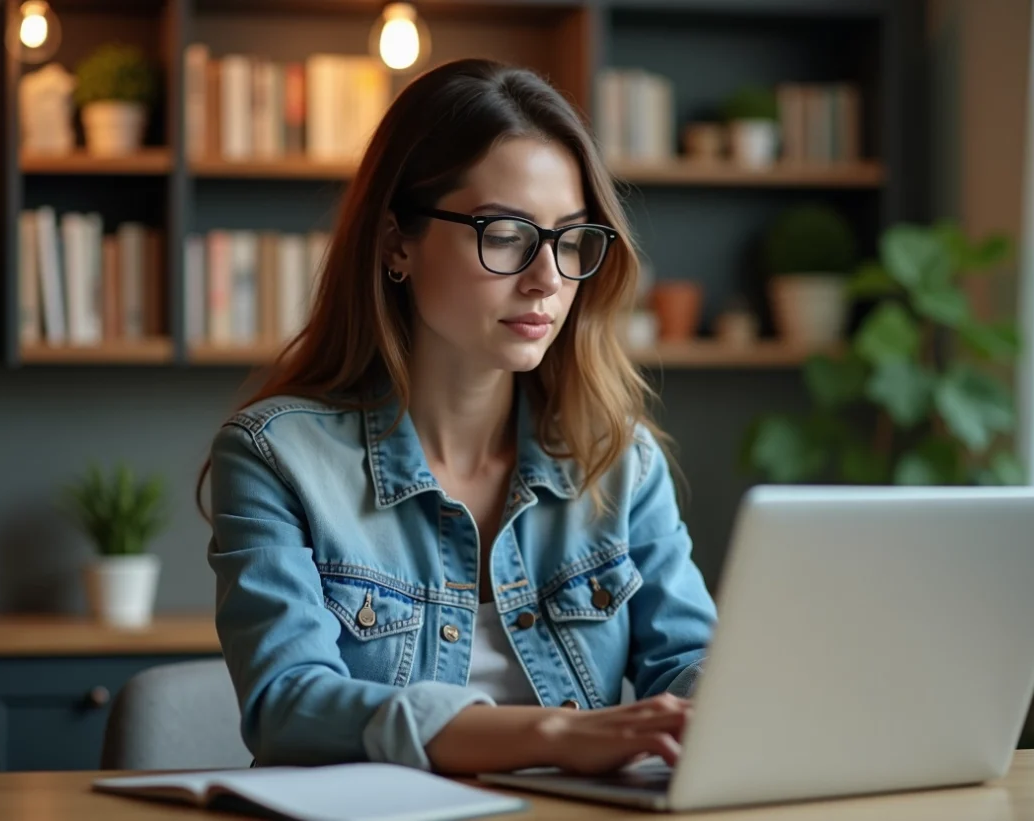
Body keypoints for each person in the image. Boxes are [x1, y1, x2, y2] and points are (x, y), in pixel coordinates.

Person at [200, 57, 718, 777]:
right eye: (506, 233)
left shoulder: (618, 459)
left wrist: (740, 703)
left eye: (570, 240)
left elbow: (690, 664)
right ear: (396, 243)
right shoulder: (276, 456)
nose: (548, 278)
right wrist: (558, 734)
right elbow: (289, 703)